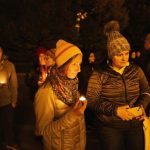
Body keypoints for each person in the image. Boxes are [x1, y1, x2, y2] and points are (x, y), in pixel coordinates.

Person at [86, 20, 150, 150]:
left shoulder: (136, 70)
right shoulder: (99, 74)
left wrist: (141, 107)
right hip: (110, 128)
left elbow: (146, 91)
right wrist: (115, 110)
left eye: (126, 53)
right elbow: (92, 100)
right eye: (119, 55)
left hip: (134, 125)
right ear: (110, 55)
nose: (124, 58)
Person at [34, 39, 87, 150]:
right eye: (74, 64)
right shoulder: (46, 92)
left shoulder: (72, 84)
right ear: (63, 65)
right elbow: (43, 132)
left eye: (80, 64)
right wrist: (73, 116)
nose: (79, 69)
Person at [0, 47, 18, 149]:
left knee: (8, 124)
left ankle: (9, 143)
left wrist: (14, 101)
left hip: (6, 101)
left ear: (2, 53)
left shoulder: (9, 66)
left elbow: (14, 84)